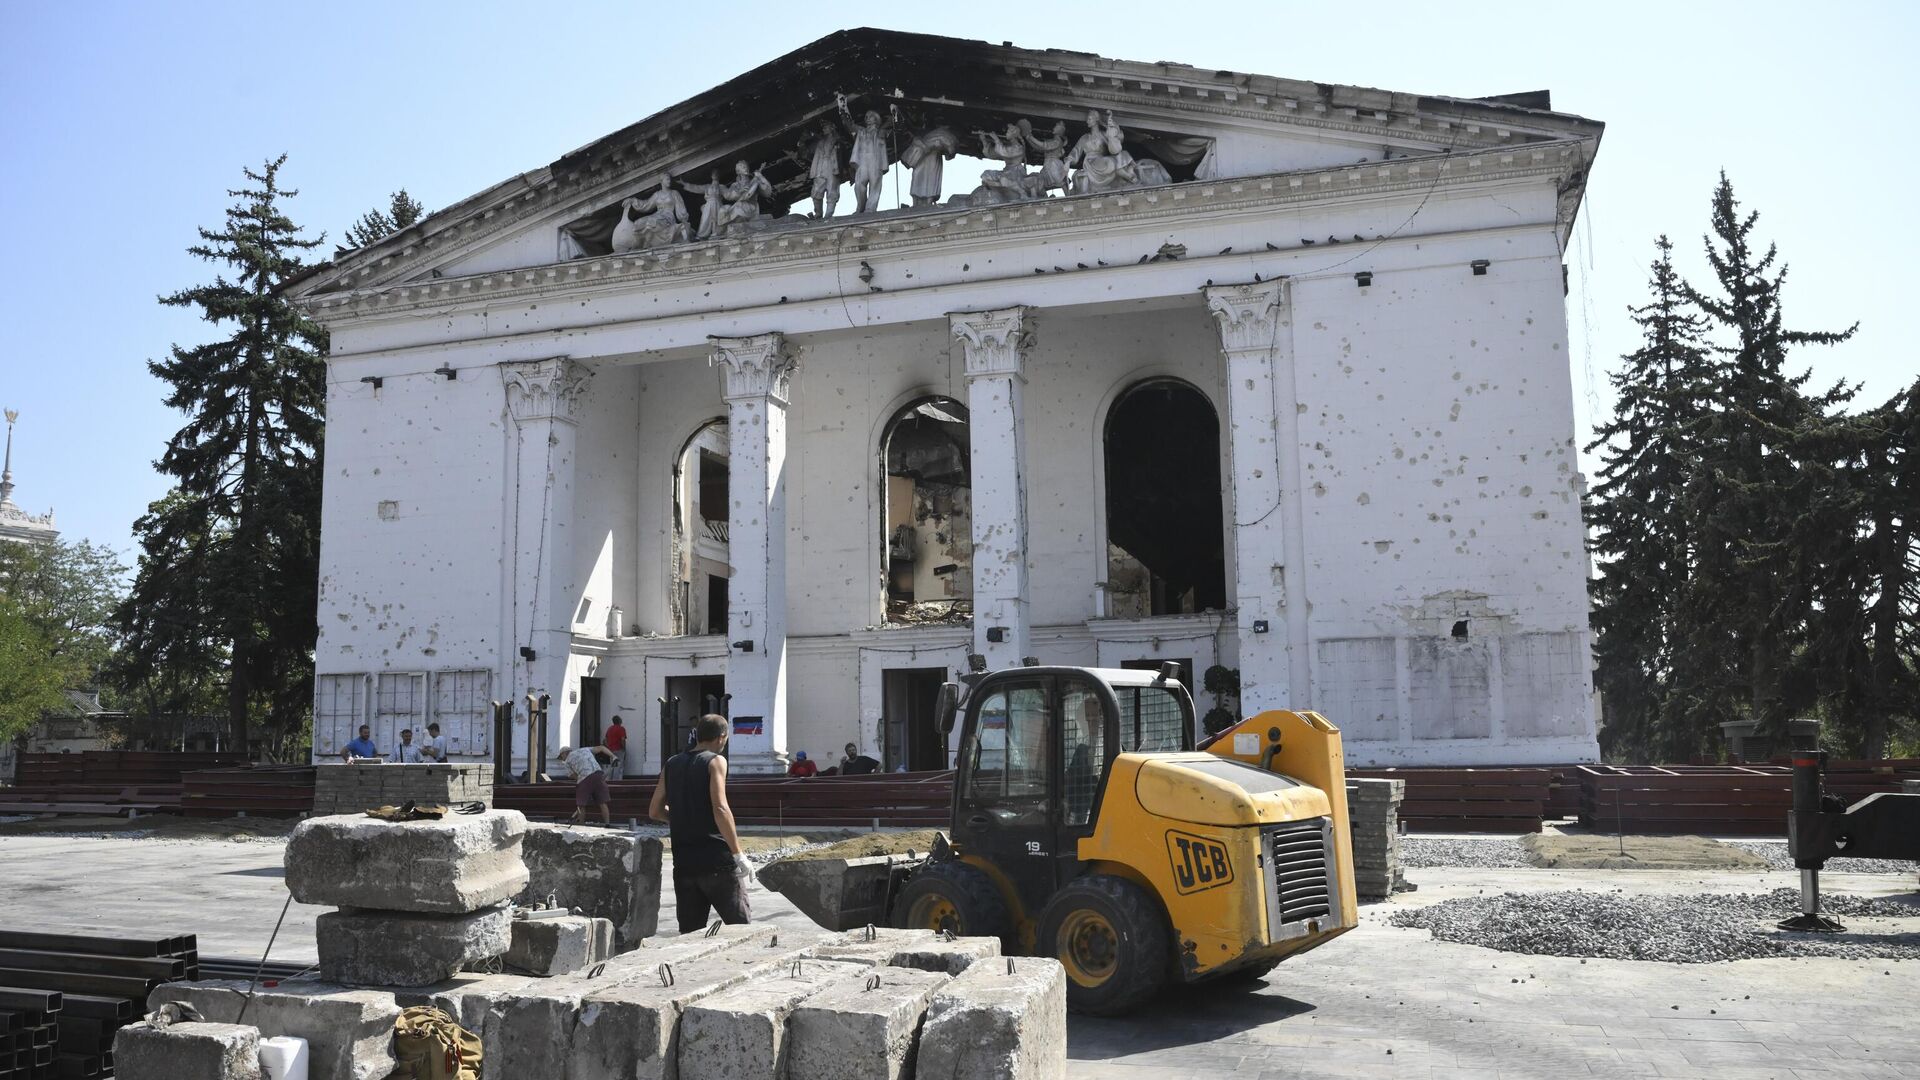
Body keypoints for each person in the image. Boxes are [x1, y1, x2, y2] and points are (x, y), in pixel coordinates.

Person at [649, 714, 751, 933]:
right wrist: (738, 853)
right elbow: (721, 808)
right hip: (716, 861)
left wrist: (681, 818)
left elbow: (654, 811)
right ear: (722, 737)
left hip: (684, 863)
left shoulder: (671, 764)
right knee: (740, 929)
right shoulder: (715, 761)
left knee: (689, 934)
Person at [558, 743, 614, 825]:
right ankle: (607, 824)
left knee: (581, 805)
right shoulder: (584, 749)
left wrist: (582, 782)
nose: (562, 759)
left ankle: (581, 824)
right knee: (602, 802)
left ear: (564, 753)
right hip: (598, 774)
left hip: (584, 777)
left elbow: (572, 775)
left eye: (561, 757)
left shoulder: (567, 761)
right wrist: (613, 755)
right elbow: (601, 748)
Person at [603, 715, 628, 781]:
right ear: (619, 721)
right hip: (619, 750)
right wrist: (624, 748)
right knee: (619, 766)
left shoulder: (609, 729)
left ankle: (609, 781)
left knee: (612, 766)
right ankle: (617, 781)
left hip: (611, 750)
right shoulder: (621, 728)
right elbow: (622, 739)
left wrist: (608, 747)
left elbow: (605, 740)